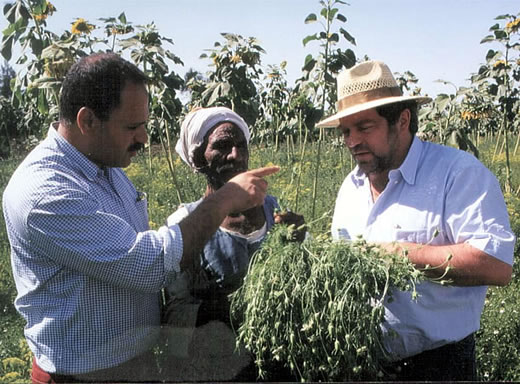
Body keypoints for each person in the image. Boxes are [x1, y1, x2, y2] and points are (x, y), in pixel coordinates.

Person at [2, 53, 279, 383]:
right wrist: (225, 199)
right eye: (132, 127)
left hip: (134, 366)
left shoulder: (106, 166)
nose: (143, 139)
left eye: (144, 125)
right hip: (82, 376)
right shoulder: (44, 191)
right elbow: (149, 264)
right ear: (87, 121)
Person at [317, 60, 515, 381]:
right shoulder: (351, 187)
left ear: (402, 120)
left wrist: (398, 254)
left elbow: (495, 264)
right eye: (346, 131)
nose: (352, 141)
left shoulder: (457, 173)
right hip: (363, 363)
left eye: (364, 127)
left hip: (439, 366)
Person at [161, 106, 305, 381]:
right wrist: (231, 308)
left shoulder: (279, 213)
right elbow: (174, 317)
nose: (236, 155)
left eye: (241, 146)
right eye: (222, 146)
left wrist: (302, 251)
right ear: (197, 158)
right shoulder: (184, 224)